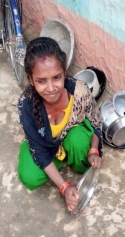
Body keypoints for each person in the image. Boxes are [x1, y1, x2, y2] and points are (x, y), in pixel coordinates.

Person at [17, 37, 103, 212]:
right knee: (29, 176)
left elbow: (95, 121)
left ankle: (74, 154)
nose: (51, 88)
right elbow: (39, 152)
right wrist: (64, 187)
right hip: (45, 145)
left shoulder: (80, 90)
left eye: (56, 77)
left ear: (64, 72)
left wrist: (94, 150)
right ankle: (59, 159)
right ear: (31, 80)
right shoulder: (26, 104)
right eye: (41, 81)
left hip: (73, 133)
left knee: (79, 143)